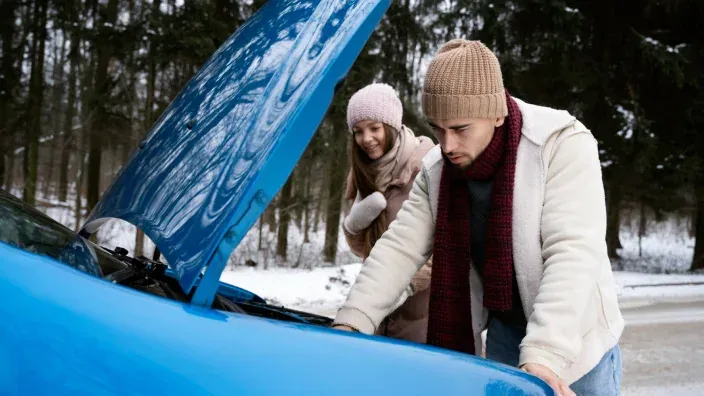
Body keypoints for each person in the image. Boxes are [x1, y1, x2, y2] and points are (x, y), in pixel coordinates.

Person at [332, 40, 624, 396]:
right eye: (437, 130)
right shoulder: (438, 169)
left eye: (460, 128)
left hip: (575, 340)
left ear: (496, 114)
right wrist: (353, 321)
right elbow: (398, 248)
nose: (447, 144)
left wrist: (544, 355)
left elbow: (572, 253)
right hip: (505, 334)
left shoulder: (561, 144)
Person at [340, 83, 435, 344]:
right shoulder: (362, 174)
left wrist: (401, 285)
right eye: (358, 131)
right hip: (378, 312)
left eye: (374, 128)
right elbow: (364, 251)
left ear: (391, 125)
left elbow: (444, 249)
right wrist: (353, 228)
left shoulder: (427, 169)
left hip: (421, 314)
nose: (366, 139)